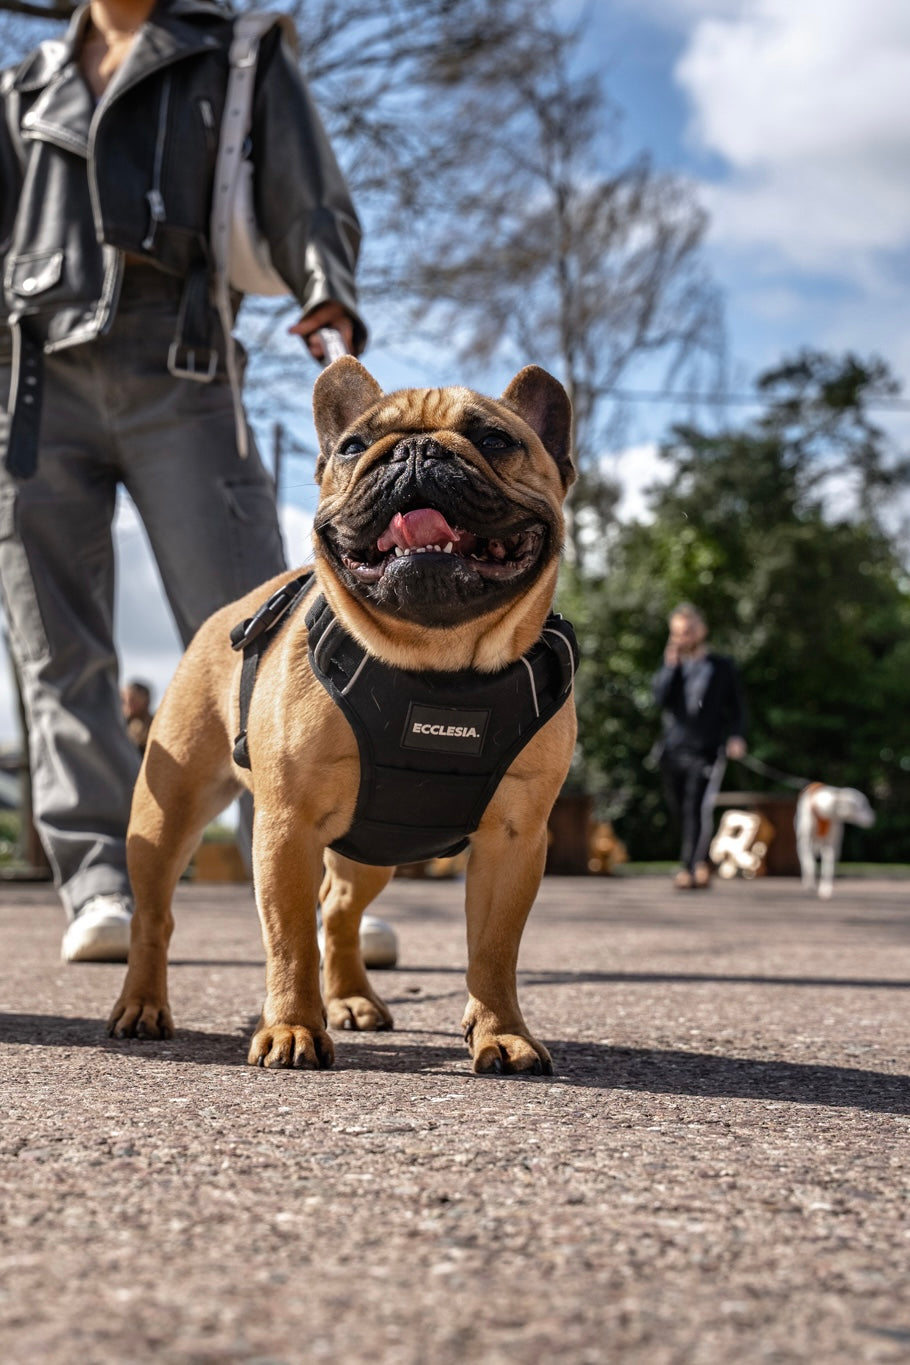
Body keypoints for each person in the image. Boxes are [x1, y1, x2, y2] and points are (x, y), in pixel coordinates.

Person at [0, 0, 375, 962]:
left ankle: (319, 880)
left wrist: (324, 280)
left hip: (187, 371)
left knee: (262, 635)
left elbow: (303, 185)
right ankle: (99, 888)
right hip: (35, 391)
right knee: (57, 654)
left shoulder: (235, 51)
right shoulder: (28, 82)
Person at [652, 603, 747, 890]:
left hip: (707, 750)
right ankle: (702, 861)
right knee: (680, 809)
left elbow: (739, 708)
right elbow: (659, 699)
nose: (684, 636)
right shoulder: (673, 667)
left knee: (697, 808)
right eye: (679, 632)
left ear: (701, 630)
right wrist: (670, 666)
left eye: (689, 630)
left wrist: (736, 736)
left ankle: (689, 869)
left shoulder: (722, 667)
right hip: (673, 750)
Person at [121, 679, 154, 755]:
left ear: (145, 701)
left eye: (132, 700)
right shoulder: (120, 724)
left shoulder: (154, 725)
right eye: (124, 700)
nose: (128, 704)